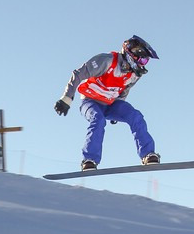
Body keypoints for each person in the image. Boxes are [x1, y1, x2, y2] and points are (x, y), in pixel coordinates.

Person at [54, 34, 160, 171]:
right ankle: (89, 160)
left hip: (111, 104)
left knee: (135, 116)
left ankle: (148, 154)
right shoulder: (106, 61)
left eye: (145, 62)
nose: (143, 64)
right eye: (143, 60)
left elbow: (123, 90)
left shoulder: (134, 75)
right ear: (132, 54)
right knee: (98, 120)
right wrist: (67, 98)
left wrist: (119, 112)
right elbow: (78, 73)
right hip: (90, 101)